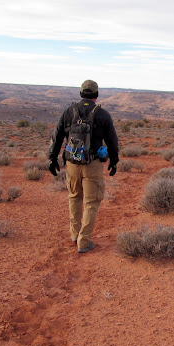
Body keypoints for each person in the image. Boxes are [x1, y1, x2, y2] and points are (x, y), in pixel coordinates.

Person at [48, 79, 119, 253]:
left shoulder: (68, 112)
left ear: (81, 94)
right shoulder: (102, 114)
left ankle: (75, 234)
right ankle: (84, 241)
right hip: (92, 164)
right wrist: (114, 160)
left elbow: (56, 137)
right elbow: (112, 140)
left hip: (72, 163)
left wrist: (52, 158)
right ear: (96, 95)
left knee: (74, 198)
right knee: (91, 202)